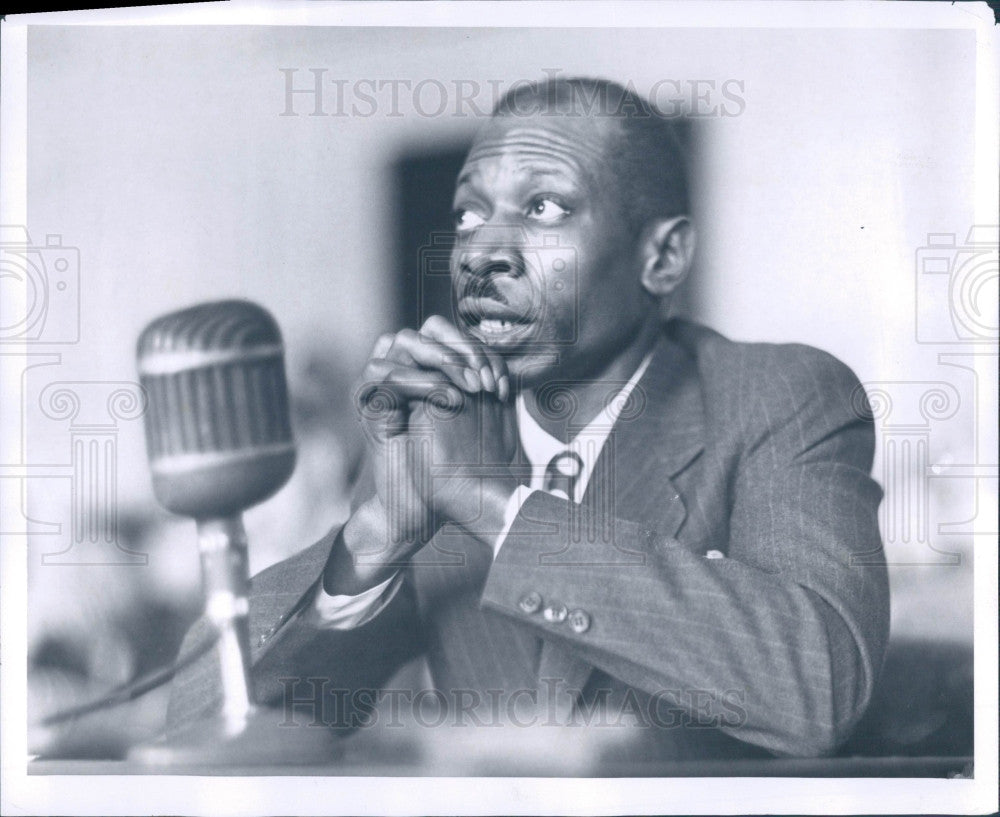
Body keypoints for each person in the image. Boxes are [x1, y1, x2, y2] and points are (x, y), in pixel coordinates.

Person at [168, 77, 889, 761]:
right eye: (468, 214)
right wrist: (373, 537)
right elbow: (202, 721)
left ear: (662, 257)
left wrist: (494, 505)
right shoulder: (437, 429)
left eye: (543, 207)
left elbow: (818, 686)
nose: (481, 251)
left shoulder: (779, 395)